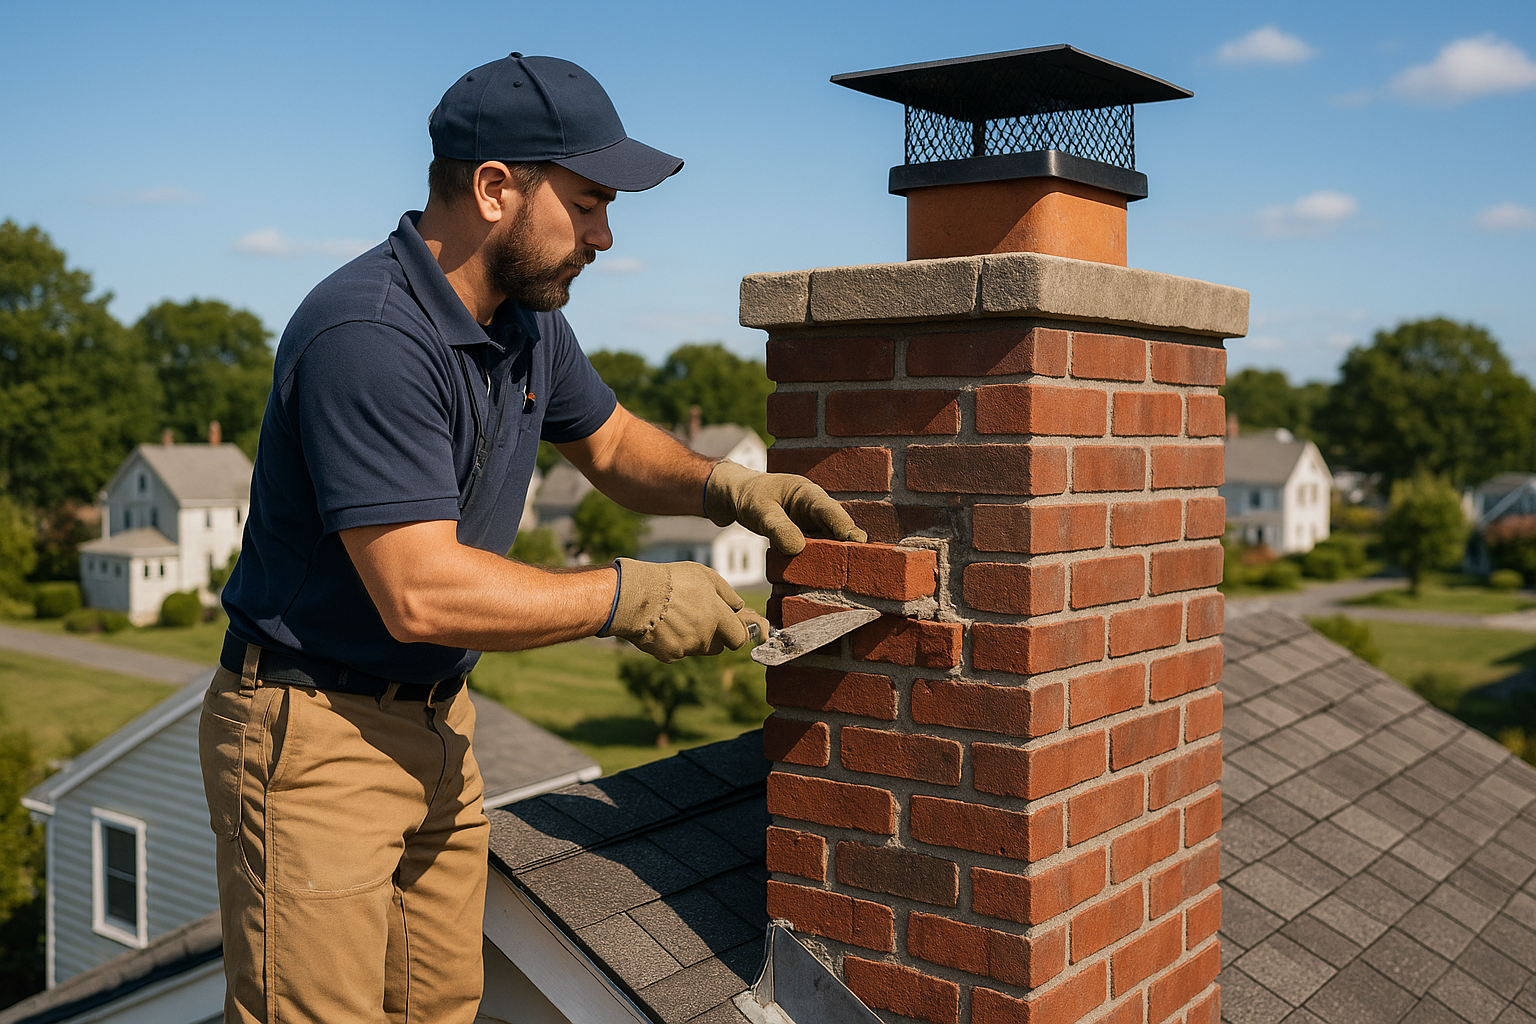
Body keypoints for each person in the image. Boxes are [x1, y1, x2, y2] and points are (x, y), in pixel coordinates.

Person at [202, 52, 864, 1024]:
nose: (605, 234)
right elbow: (418, 590)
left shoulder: (525, 325)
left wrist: (728, 485)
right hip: (315, 736)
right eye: (589, 202)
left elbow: (611, 443)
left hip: (436, 719)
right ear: (495, 187)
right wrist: (628, 596)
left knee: (439, 1007)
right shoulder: (370, 335)